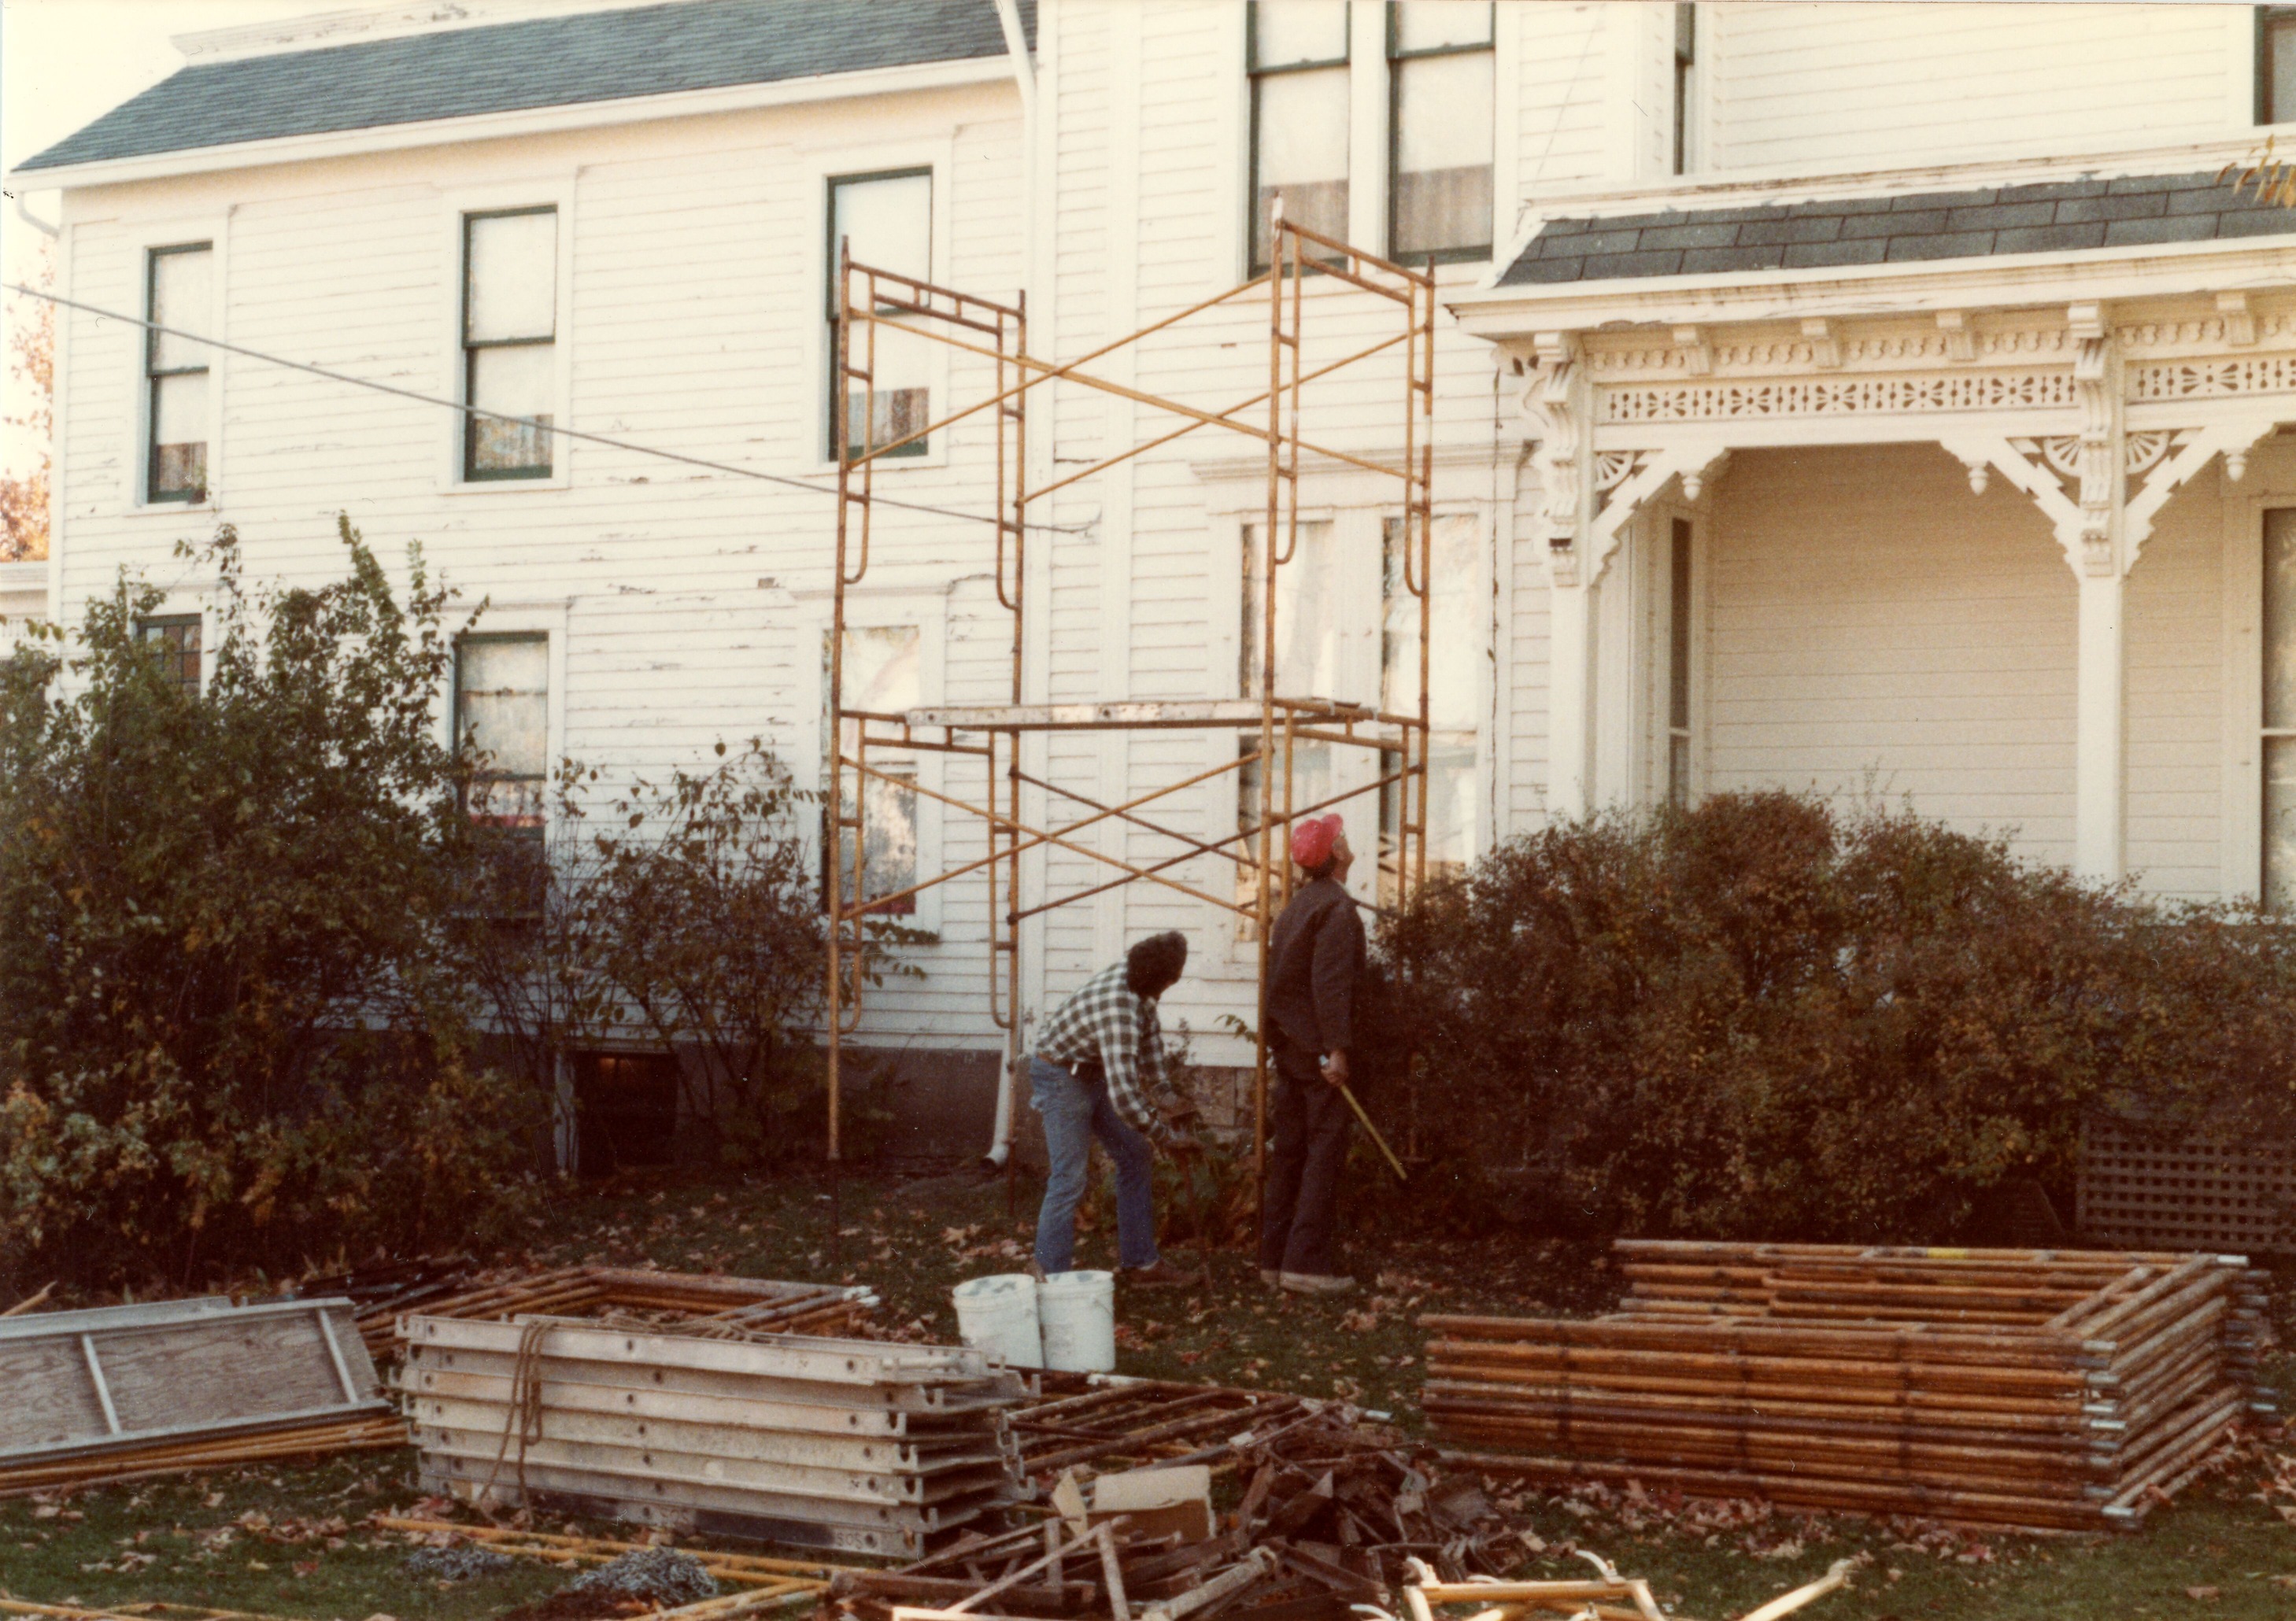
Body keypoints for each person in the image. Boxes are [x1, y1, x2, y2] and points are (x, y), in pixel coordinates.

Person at [1028, 930, 1202, 1287]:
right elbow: (1125, 1098)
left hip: (1090, 1072)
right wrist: (1165, 1136)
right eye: (1172, 980)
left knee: (1135, 1155)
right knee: (1069, 1177)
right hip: (1060, 1075)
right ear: (1163, 978)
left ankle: (1141, 1266)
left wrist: (1166, 1095)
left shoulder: (1140, 981)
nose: (1170, 985)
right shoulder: (1118, 1006)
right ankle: (1049, 1278)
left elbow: (1150, 1038)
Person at [1257, 813, 1367, 1296]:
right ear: (1337, 854)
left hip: (1291, 1050)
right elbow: (1329, 986)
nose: (1346, 839)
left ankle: (1273, 1260)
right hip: (1319, 1055)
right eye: (1341, 837)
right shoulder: (1336, 909)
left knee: (1290, 1153)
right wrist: (1337, 1050)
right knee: (1322, 1153)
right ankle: (1306, 1265)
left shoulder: (1296, 906)